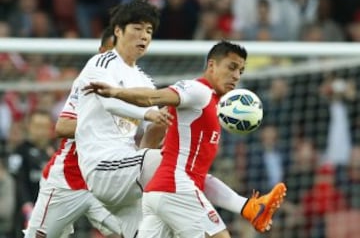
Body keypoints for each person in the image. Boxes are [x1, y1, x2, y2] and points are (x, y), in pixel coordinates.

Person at [84, 40, 287, 238]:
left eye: (240, 71)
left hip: (160, 192)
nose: (235, 76)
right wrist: (117, 92)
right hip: (177, 188)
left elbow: (161, 131)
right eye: (231, 67)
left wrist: (244, 206)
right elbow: (154, 97)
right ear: (212, 65)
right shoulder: (198, 91)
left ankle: (249, 207)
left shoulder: (215, 105)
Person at [23, 27, 123, 238]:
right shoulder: (87, 84)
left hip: (101, 182)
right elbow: (62, 127)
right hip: (67, 180)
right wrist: (102, 127)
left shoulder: (132, 89)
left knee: (133, 231)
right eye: (114, 51)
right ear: (102, 51)